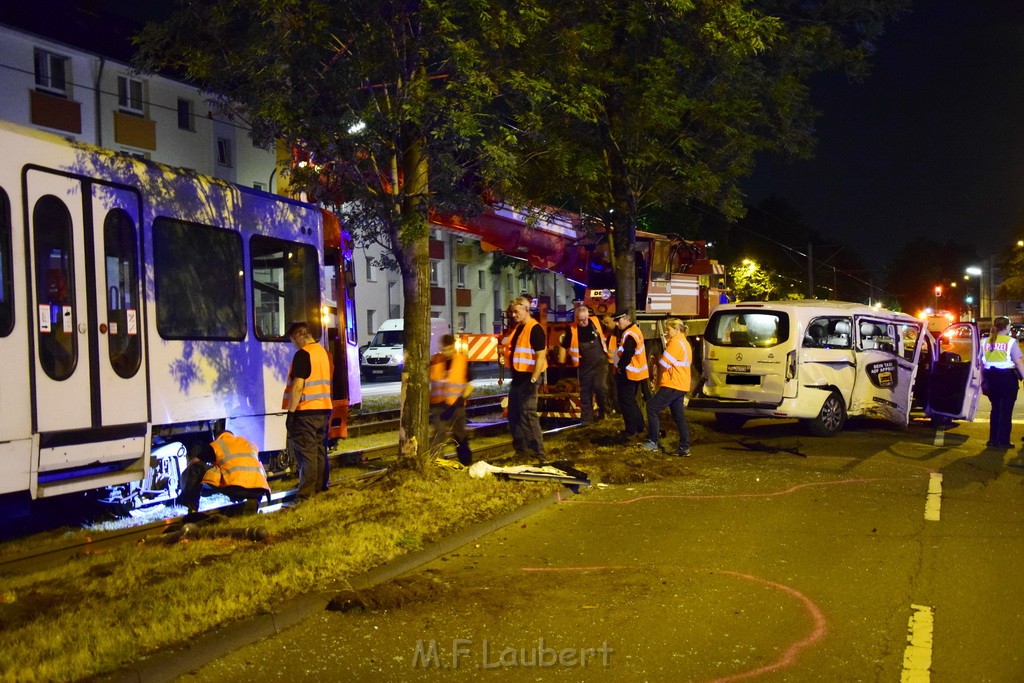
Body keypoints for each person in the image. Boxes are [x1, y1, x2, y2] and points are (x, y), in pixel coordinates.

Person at [283, 321, 333, 500]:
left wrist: (291, 412)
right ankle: (320, 488)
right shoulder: (323, 353)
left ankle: (305, 495)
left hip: (306, 412)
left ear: (299, 336)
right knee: (320, 452)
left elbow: (298, 386)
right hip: (324, 409)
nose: (294, 344)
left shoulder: (303, 354)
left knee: (307, 455)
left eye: (293, 340)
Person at [179, 431, 270, 514]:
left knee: (196, 468)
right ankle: (254, 504)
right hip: (259, 491)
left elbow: (195, 462)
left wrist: (183, 479)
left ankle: (192, 510)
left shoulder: (218, 444)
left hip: (236, 488)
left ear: (217, 437)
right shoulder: (249, 444)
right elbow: (262, 471)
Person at [502, 296, 547, 458]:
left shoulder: (534, 328)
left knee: (528, 414)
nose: (513, 315)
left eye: (516, 311)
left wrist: (533, 379)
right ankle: (522, 451)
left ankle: (537, 453)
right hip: (518, 378)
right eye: (512, 312)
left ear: (526, 309)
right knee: (514, 415)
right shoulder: (519, 328)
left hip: (529, 378)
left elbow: (541, 357)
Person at [642, 319, 692, 456]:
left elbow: (664, 363)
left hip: (672, 383)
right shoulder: (684, 343)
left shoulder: (675, 343)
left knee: (651, 407)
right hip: (681, 384)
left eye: (668, 329)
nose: (666, 332)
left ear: (677, 330)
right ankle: (684, 447)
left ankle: (653, 441)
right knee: (678, 416)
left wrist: (659, 357)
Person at [980, 316, 1024, 448]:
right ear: (1006, 327)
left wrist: (983, 380)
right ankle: (1003, 441)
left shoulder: (985, 341)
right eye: (1010, 325)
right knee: (1006, 410)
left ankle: (993, 440)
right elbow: (1018, 362)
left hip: (991, 377)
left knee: (995, 409)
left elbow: (981, 363)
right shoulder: (1010, 342)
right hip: (1007, 378)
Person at [430, 334, 474, 465]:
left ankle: (466, 462)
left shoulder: (462, 361)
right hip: (438, 405)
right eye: (444, 349)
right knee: (439, 433)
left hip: (456, 405)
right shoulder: (435, 360)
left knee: (460, 434)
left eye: (448, 349)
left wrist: (458, 402)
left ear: (453, 347)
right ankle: (434, 462)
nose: (446, 352)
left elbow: (469, 386)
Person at [567, 302, 609, 425]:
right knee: (585, 392)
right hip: (585, 365)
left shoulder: (596, 322)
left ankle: (603, 411)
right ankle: (587, 420)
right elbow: (565, 346)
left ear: (587, 317)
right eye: (579, 320)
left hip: (600, 361)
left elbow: (605, 332)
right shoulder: (572, 330)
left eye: (584, 320)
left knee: (600, 387)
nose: (582, 323)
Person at [613, 310, 649, 438]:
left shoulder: (629, 334)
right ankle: (640, 426)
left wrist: (620, 367)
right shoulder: (634, 330)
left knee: (626, 402)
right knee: (632, 402)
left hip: (629, 373)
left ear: (627, 319)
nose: (617, 324)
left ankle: (631, 430)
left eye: (619, 321)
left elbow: (628, 353)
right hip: (637, 372)